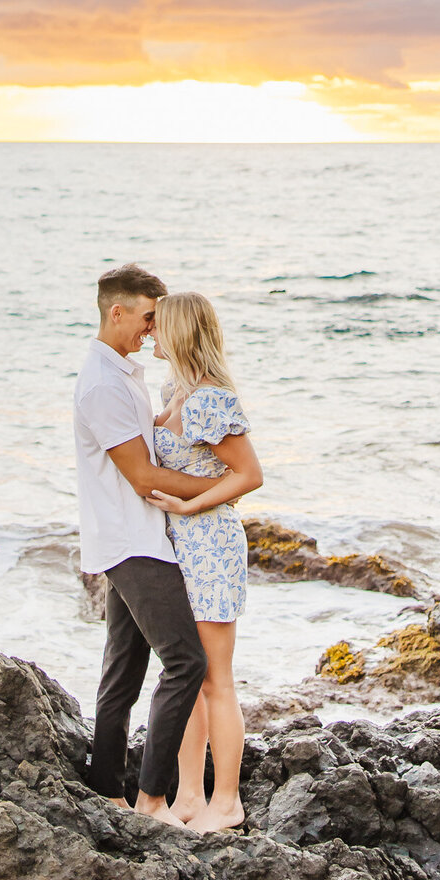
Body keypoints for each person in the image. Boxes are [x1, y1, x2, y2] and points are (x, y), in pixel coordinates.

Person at [73, 263, 222, 827]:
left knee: (124, 671)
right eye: (148, 317)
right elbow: (143, 477)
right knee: (186, 661)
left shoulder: (122, 373)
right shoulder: (105, 384)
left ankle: (106, 790)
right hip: (132, 541)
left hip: (136, 535)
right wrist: (222, 489)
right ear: (118, 311)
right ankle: (153, 800)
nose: (153, 330)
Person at [147, 291, 262, 833]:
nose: (149, 334)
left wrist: (187, 504)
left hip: (211, 546)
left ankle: (228, 802)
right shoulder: (174, 390)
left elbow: (248, 475)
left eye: (158, 326)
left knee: (216, 679)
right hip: (178, 549)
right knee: (185, 675)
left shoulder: (210, 400)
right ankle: (188, 798)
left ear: (181, 333)